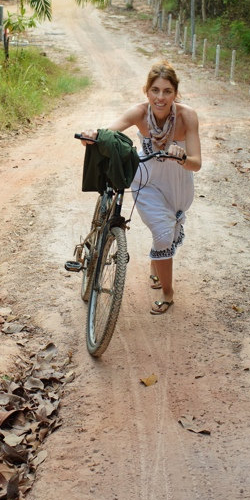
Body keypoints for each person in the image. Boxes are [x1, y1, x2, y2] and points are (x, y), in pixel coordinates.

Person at [81, 62, 202, 313]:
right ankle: (168, 293)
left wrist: (181, 158)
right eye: (155, 90)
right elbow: (108, 132)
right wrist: (93, 135)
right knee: (161, 233)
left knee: (168, 231)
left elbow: (196, 164)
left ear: (175, 93)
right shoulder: (138, 113)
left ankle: (156, 267)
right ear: (146, 91)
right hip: (145, 181)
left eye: (167, 91)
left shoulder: (187, 116)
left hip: (178, 184)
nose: (160, 97)